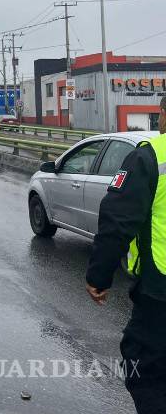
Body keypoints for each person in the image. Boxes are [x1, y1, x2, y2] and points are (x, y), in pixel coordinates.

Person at [86, 95, 166, 413]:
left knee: (147, 375)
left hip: (160, 295)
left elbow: (117, 220)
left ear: (163, 114)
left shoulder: (149, 158)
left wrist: (99, 276)